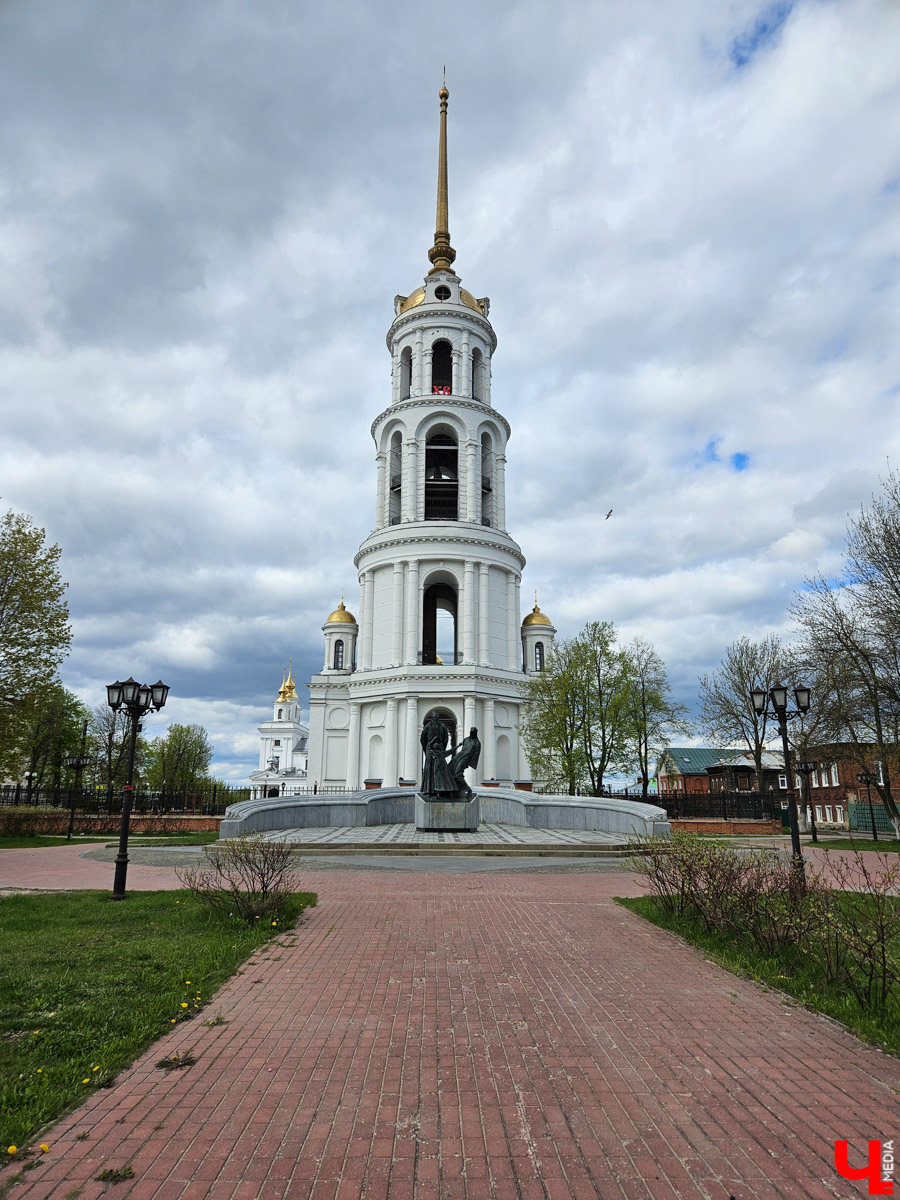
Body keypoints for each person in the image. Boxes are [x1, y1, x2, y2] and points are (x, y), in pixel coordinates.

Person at [420, 713, 456, 797]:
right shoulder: (427, 727)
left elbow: (446, 738)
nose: (435, 720)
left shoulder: (442, 727)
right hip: (430, 751)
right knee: (429, 771)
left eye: (436, 718)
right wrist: (427, 748)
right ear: (431, 719)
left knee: (442, 770)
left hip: (439, 751)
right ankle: (428, 790)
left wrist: (442, 748)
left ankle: (442, 789)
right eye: (433, 718)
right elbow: (422, 739)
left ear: (438, 719)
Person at [448, 728, 481, 799]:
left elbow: (476, 755)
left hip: (466, 759)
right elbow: (461, 746)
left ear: (476, 733)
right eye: (471, 732)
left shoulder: (477, 743)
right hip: (459, 756)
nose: (472, 734)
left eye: (473, 733)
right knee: (449, 769)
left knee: (457, 775)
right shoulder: (466, 739)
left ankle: (468, 790)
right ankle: (453, 789)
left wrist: (469, 763)